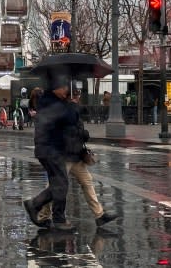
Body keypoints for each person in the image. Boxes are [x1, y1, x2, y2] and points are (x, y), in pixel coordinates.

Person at [38, 83, 118, 228]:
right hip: (66, 154)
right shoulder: (66, 109)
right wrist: (84, 134)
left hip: (76, 155)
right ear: (73, 95)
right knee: (54, 186)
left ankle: (99, 215)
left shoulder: (70, 108)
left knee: (87, 182)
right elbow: (70, 131)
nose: (79, 98)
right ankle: (43, 215)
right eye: (78, 95)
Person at [24, 75, 79, 232]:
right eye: (65, 88)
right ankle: (56, 217)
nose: (67, 91)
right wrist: (72, 106)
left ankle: (36, 206)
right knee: (61, 184)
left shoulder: (50, 101)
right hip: (50, 149)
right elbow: (70, 120)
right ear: (57, 88)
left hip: (49, 148)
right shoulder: (53, 103)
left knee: (58, 184)